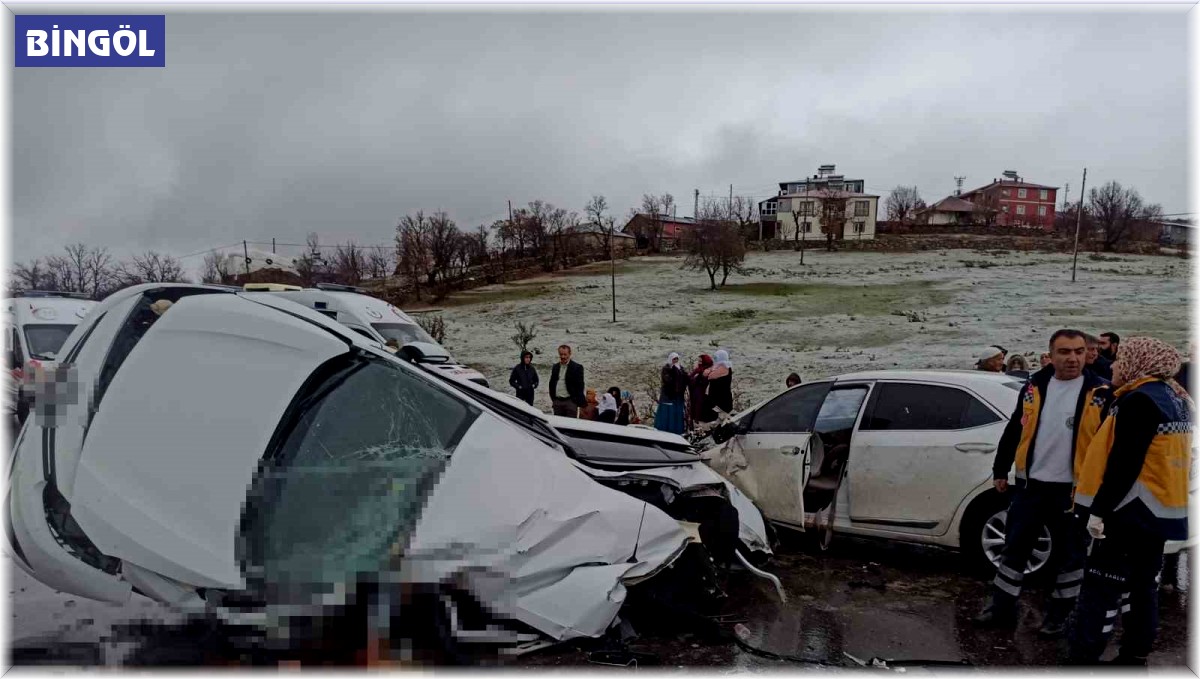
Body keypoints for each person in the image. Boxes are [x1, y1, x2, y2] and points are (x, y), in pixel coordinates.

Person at [974, 329, 1114, 636]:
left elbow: (1109, 445)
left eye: (1079, 351)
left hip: (1073, 492)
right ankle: (1001, 609)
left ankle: (1059, 616)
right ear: (1050, 354)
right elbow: (1016, 427)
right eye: (1065, 352)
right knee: (1014, 550)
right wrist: (1001, 468)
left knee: (1070, 557)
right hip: (1031, 487)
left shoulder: (1100, 391)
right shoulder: (1035, 385)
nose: (1073, 358)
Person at [1068, 337, 1192, 665]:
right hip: (1156, 514)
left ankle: (1083, 656)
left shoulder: (1139, 401)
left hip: (1128, 513)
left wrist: (1099, 511)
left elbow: (1125, 463)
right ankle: (1136, 653)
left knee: (1101, 589)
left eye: (1121, 360)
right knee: (1143, 587)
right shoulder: (1174, 398)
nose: (1112, 366)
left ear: (1139, 364)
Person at [548, 344, 586, 418]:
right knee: (557, 425)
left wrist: (575, 401)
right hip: (557, 401)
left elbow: (580, 386)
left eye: (565, 354)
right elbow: (551, 384)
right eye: (561, 354)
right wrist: (554, 400)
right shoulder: (555, 367)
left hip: (570, 402)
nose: (563, 356)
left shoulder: (577, 367)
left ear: (570, 354)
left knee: (570, 425)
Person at [656, 353, 688, 434]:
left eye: (677, 359)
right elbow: (668, 380)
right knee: (667, 413)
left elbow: (685, 378)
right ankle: (664, 430)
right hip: (668, 396)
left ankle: (676, 431)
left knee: (676, 414)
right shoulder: (666, 368)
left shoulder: (680, 368)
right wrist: (675, 370)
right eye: (674, 359)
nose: (675, 361)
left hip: (678, 396)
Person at [705, 349, 734, 421]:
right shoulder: (718, 367)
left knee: (722, 421)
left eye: (716, 357)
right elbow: (705, 373)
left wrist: (709, 371)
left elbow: (710, 375)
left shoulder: (724, 367)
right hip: (716, 400)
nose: (714, 359)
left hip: (722, 400)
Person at [687, 355, 714, 429]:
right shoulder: (698, 370)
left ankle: (698, 428)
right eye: (698, 361)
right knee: (694, 411)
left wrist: (696, 379)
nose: (699, 363)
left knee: (699, 412)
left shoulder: (707, 370)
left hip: (701, 395)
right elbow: (690, 379)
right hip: (695, 394)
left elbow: (703, 382)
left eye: (701, 361)